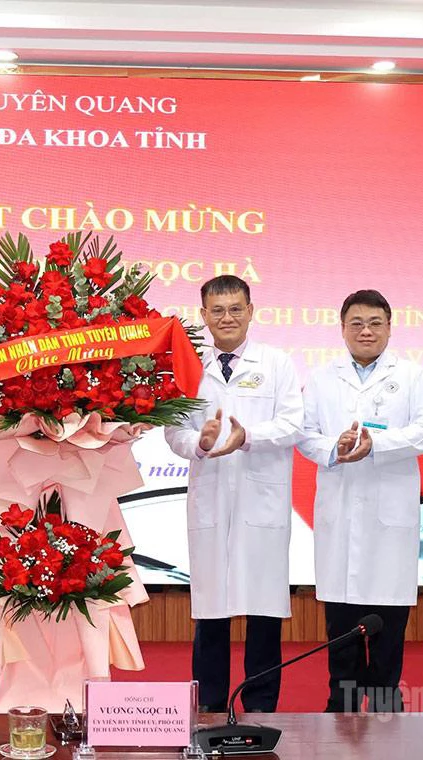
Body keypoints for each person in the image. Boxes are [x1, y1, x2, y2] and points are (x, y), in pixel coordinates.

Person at [164, 274, 303, 713]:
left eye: (235, 309)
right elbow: (174, 430)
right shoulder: (187, 366)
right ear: (203, 316)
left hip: (261, 500)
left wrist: (248, 437)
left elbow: (293, 424)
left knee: (263, 613)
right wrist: (200, 444)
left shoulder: (277, 363)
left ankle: (261, 705)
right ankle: (209, 706)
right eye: (217, 310)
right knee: (211, 610)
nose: (227, 318)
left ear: (251, 310)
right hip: (211, 496)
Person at [297, 289, 423, 713]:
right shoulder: (323, 378)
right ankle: (339, 702)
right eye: (356, 322)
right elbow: (303, 434)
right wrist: (334, 447)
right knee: (340, 620)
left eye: (375, 322)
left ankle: (383, 704)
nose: (366, 330)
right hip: (340, 511)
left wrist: (377, 443)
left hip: (389, 516)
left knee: (388, 622)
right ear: (342, 329)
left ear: (390, 328)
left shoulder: (411, 376)